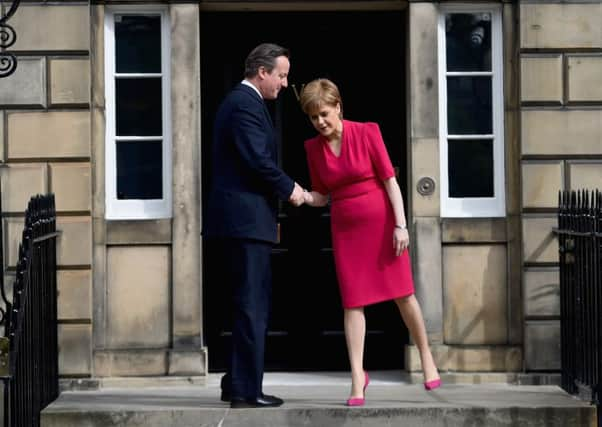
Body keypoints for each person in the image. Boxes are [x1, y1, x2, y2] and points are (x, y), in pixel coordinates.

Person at [299, 78, 441, 407]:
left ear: (338, 107)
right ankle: (356, 378)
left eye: (323, 113)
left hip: (383, 226)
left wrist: (401, 225)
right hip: (346, 232)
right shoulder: (312, 149)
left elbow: (390, 181)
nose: (319, 121)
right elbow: (323, 194)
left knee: (403, 294)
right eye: (312, 117)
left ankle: (427, 358)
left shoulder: (367, 132)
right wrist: (302, 195)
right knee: (353, 303)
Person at [203, 43, 305, 409]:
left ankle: (236, 382)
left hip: (242, 223)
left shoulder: (244, 103)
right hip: (244, 224)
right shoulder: (244, 104)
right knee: (252, 307)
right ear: (262, 72)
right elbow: (257, 162)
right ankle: (247, 390)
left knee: (245, 305)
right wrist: (293, 190)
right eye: (281, 75)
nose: (284, 82)